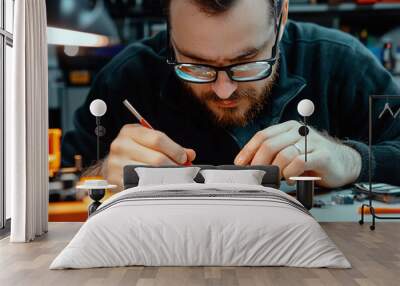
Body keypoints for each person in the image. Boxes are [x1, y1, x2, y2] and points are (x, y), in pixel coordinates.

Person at [62, 0, 400, 189]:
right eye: (196, 64)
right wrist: (102, 172)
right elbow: (62, 179)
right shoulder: (128, 77)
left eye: (247, 61)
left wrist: (351, 159)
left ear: (280, 17)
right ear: (169, 29)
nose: (224, 90)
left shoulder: (338, 61)